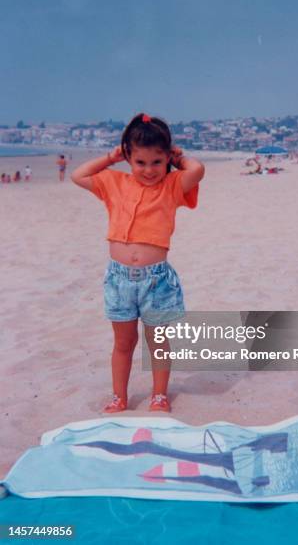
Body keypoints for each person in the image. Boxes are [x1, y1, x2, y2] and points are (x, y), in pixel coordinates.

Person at [71, 113, 204, 414]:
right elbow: (78, 175)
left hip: (156, 280)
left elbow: (197, 170)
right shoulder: (114, 182)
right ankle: (119, 396)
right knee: (123, 343)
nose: (149, 170)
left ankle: (159, 394)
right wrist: (111, 157)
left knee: (156, 340)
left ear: (167, 158)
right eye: (140, 162)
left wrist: (179, 157)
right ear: (128, 158)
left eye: (157, 162)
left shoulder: (171, 185)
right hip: (118, 280)